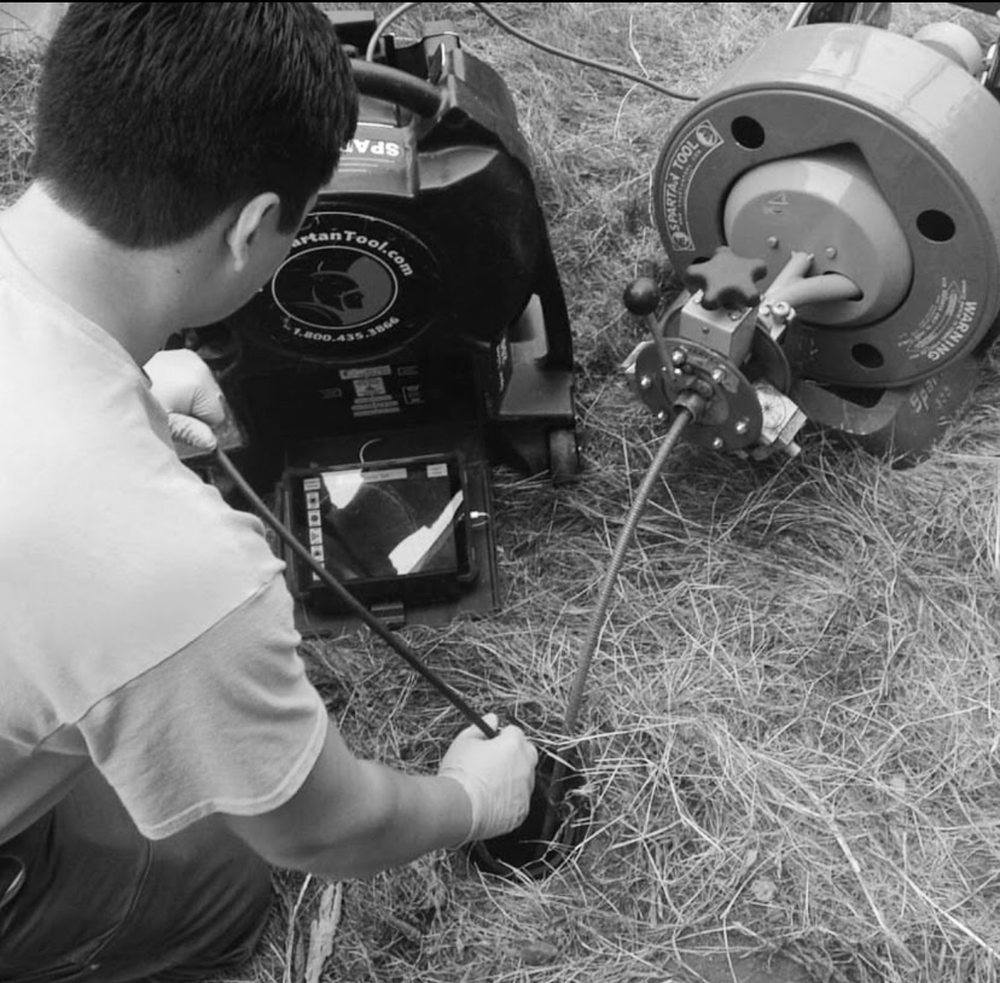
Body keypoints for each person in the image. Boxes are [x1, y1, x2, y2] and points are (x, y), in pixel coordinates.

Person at [0, 4, 538, 981]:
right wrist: (472, 798)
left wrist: (120, 390)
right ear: (254, 228)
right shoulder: (182, 574)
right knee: (220, 868)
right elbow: (323, 830)